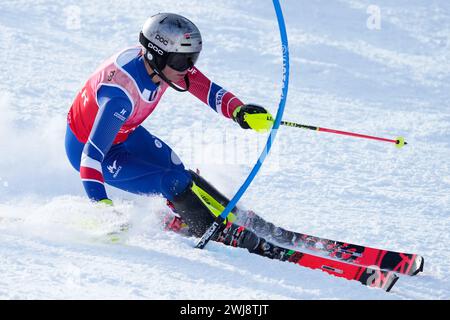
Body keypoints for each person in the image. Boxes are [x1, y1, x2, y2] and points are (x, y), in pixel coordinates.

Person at [65, 13, 276, 254]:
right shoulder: (120, 97)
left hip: (124, 132)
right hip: (93, 150)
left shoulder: (161, 66)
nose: (187, 68)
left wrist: (238, 110)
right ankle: (214, 231)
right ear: (156, 54)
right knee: (172, 181)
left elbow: (204, 87)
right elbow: (90, 158)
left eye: (191, 59)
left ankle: (228, 215)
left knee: (177, 170)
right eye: (181, 61)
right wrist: (102, 209)